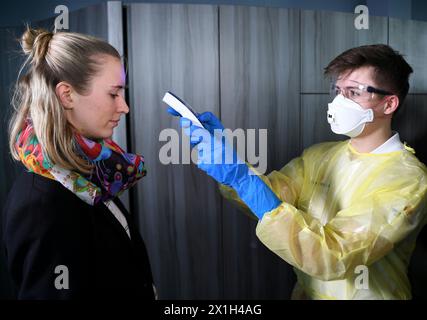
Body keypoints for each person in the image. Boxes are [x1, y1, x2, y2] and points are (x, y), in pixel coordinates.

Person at [167, 44, 427, 300]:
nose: (339, 102)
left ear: (389, 104)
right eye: (337, 91)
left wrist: (242, 178)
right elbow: (269, 203)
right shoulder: (319, 155)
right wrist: (234, 166)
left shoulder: (408, 179)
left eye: (353, 92)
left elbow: (333, 255)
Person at [2, 27, 155, 299]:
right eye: (113, 94)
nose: (124, 107)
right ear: (67, 95)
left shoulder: (86, 176)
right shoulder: (39, 204)